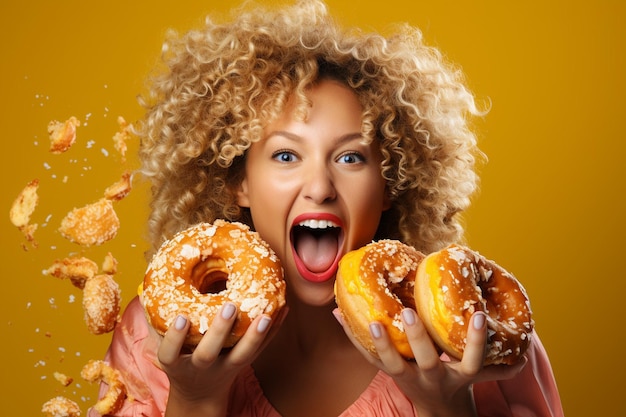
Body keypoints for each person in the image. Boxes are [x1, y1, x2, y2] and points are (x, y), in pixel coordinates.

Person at [93, 0, 563, 416]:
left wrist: (447, 407)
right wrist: (196, 401)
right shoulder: (154, 340)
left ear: (390, 187)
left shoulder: (479, 347)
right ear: (240, 183)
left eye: (350, 157)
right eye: (285, 155)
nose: (319, 187)